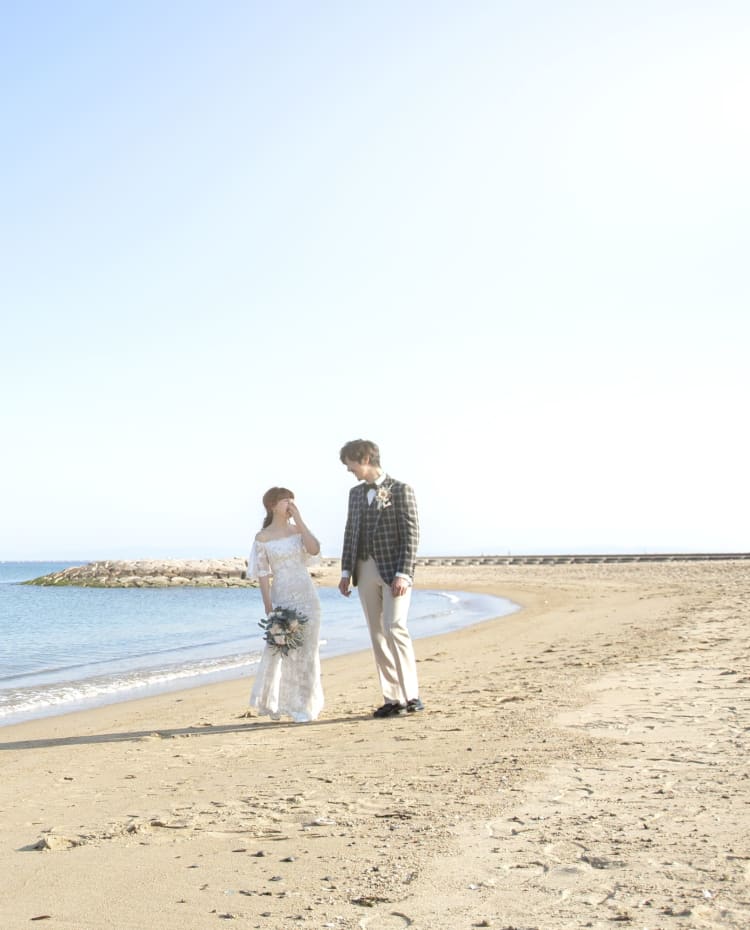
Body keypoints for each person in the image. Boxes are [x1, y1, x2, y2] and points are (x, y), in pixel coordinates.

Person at [338, 439, 423, 717]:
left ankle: (412, 695)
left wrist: (403, 573)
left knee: (394, 626)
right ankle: (393, 698)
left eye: (350, 464)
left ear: (362, 458)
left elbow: (411, 535)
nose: (348, 470)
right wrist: (345, 571)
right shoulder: (354, 494)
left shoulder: (401, 490)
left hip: (393, 570)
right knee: (376, 633)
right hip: (364, 569)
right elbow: (351, 532)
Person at [247, 487, 324, 722]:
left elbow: (314, 550)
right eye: (284, 500)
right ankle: (284, 704)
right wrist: (268, 606)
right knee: (285, 651)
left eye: (292, 499)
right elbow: (262, 573)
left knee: (309, 651)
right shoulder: (262, 537)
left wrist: (299, 520)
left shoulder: (296, 530)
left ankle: (306, 706)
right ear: (272, 505)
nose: (290, 503)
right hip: (283, 597)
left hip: (307, 595)